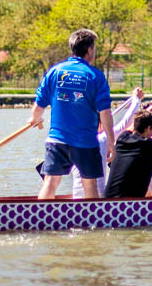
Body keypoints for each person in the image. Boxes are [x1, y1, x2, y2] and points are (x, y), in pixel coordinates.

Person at [27, 29, 114, 200]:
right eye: (94, 48)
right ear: (89, 50)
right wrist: (112, 142)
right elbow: (105, 113)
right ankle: (91, 216)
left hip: (57, 140)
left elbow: (38, 106)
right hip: (86, 142)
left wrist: (34, 119)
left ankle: (41, 215)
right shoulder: (96, 76)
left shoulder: (55, 71)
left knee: (50, 182)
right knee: (89, 183)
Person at [67, 86, 144, 199]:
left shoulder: (71, 140)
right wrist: (136, 99)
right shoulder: (102, 139)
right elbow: (126, 123)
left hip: (77, 197)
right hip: (98, 198)